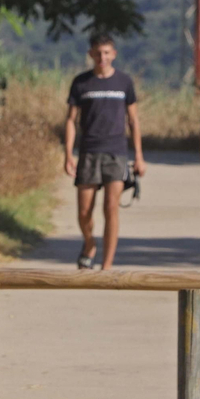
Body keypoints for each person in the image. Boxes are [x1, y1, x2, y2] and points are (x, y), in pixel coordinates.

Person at [63, 34, 146, 270]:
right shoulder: (81, 83)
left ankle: (107, 266)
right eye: (98, 53)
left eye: (107, 52)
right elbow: (71, 120)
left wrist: (138, 156)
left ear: (114, 54)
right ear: (91, 54)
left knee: (111, 208)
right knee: (84, 212)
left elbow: (134, 120)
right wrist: (68, 153)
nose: (102, 57)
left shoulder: (124, 82)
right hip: (89, 152)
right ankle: (90, 243)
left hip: (116, 153)